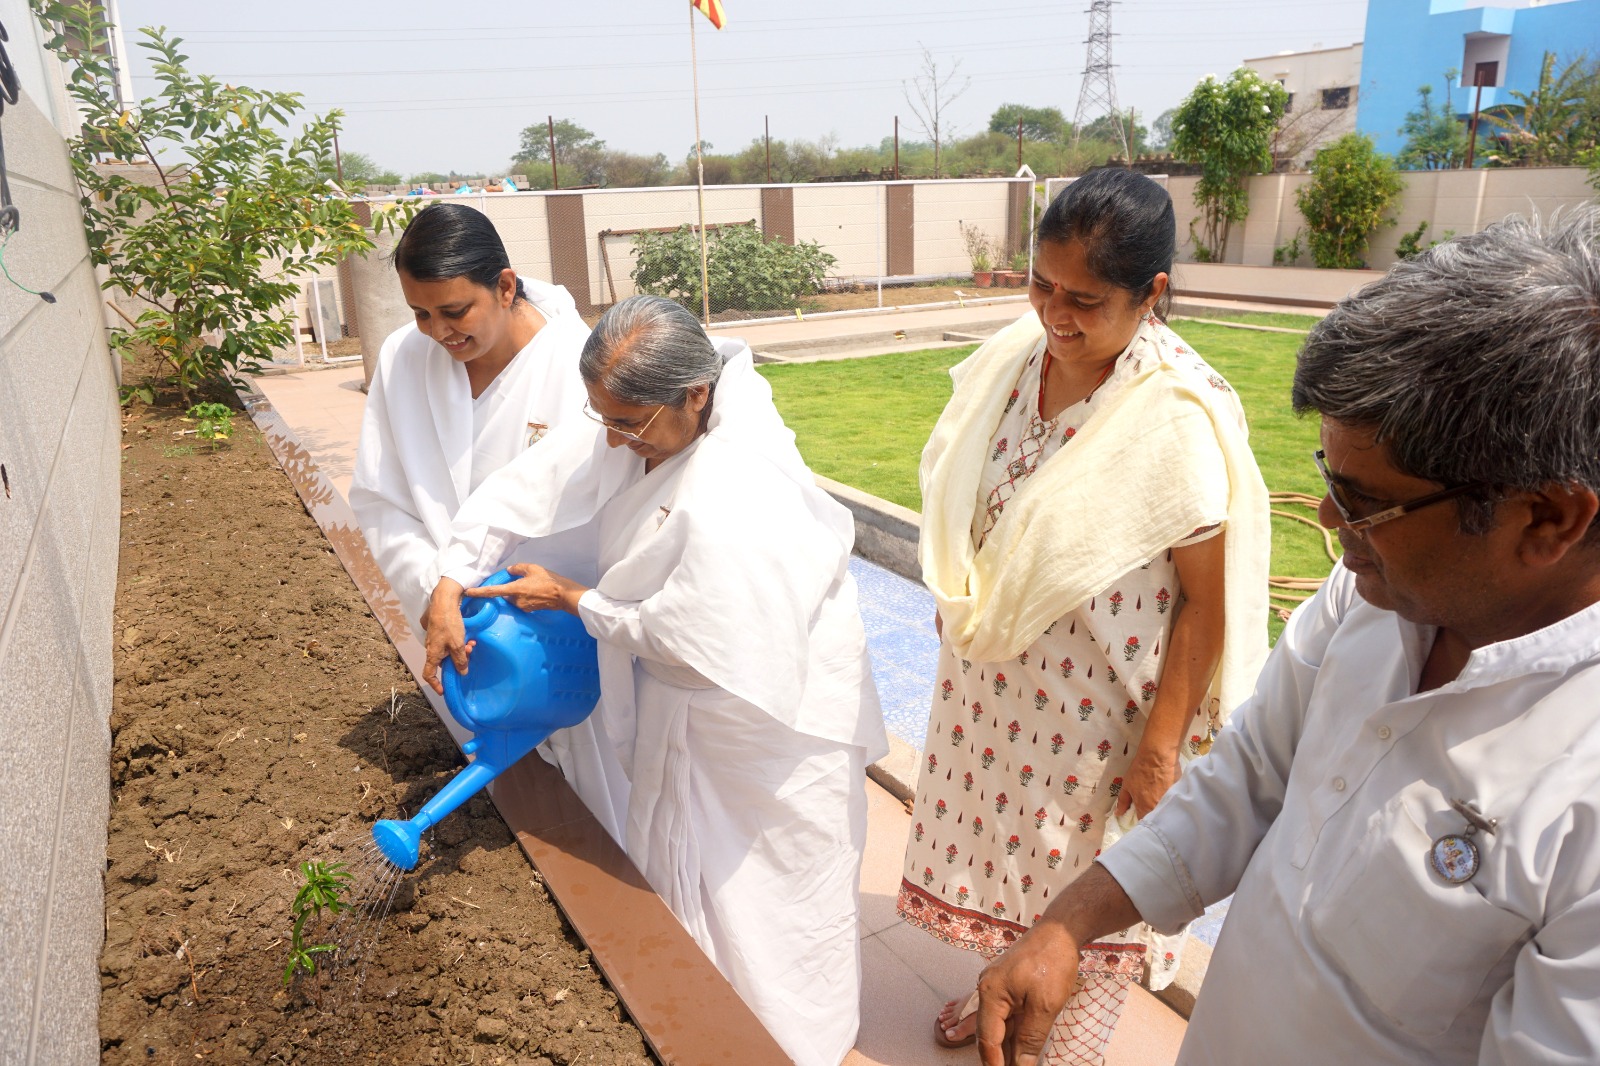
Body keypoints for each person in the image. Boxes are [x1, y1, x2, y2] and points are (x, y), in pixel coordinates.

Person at [974, 207, 1600, 1066]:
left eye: (1368, 500)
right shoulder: (1372, 597)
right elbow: (1252, 773)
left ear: (1549, 517)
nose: (1330, 521)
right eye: (1327, 477)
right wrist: (1067, 924)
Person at [419, 295, 890, 1066]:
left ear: (695, 395)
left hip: (766, 720)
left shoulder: (741, 484)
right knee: (697, 890)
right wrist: (450, 578)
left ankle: (796, 1044)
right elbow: (533, 481)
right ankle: (707, 1030)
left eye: (627, 423)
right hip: (697, 701)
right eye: (601, 416)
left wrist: (572, 598)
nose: (610, 438)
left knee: (776, 904)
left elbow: (692, 639)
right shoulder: (640, 411)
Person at [899, 168, 1270, 1060]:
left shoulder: (1171, 413)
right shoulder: (1014, 361)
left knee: (1081, 879)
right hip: (1000, 687)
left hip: (1101, 715)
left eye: (1085, 300)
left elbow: (1206, 605)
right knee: (1004, 856)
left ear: (1153, 295)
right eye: (1040, 285)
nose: (1055, 316)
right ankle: (1000, 976)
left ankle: (1055, 1035)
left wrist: (1163, 745)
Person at [350, 202, 627, 841]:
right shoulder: (403, 359)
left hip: (555, 634)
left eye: (455, 311)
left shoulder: (578, 368)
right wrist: (440, 592)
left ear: (505, 286)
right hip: (460, 633)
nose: (438, 332)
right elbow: (381, 497)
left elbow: (600, 513)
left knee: (594, 809)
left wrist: (517, 599)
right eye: (420, 313)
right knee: (504, 803)